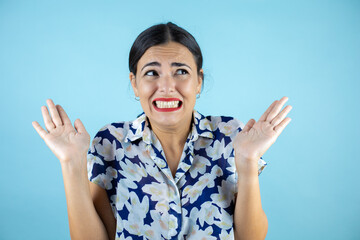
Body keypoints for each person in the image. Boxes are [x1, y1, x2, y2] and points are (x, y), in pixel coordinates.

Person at [32, 22, 292, 240]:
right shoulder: (110, 143)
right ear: (134, 84)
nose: (166, 86)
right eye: (152, 73)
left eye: (181, 71)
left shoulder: (230, 135)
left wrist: (247, 162)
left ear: (199, 81)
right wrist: (70, 163)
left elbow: (251, 237)